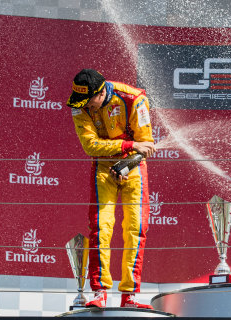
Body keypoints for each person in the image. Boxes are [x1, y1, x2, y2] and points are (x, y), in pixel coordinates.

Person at [67, 69, 156, 309]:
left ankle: (130, 296)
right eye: (81, 102)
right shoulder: (79, 105)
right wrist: (127, 144)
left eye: (88, 102)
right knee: (100, 227)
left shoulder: (134, 98)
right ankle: (99, 293)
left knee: (135, 228)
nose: (85, 107)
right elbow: (90, 145)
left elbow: (144, 145)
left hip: (133, 165)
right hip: (103, 167)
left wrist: (128, 159)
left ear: (100, 92)